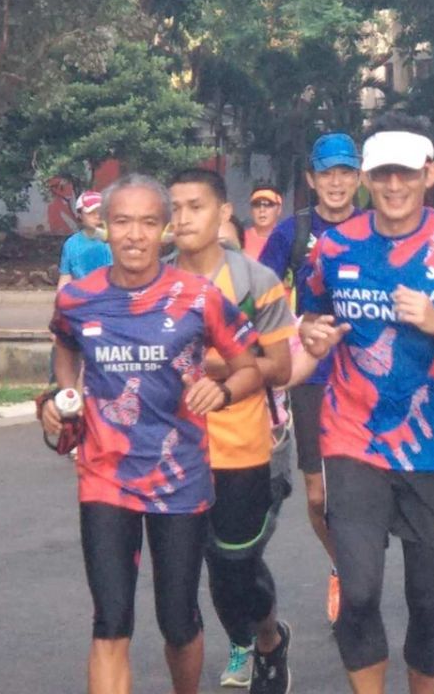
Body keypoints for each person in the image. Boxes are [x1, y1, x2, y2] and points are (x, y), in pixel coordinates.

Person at [298, 122, 434, 694]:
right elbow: (309, 314)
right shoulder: (334, 245)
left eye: (405, 173)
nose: (393, 185)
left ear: (430, 174)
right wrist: (313, 333)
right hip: (352, 439)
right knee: (361, 589)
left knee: (427, 602)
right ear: (366, 180)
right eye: (381, 174)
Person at [41, 174, 264, 694]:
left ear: (164, 230)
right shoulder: (78, 298)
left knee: (177, 618)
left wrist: (225, 392)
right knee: (111, 620)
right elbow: (64, 347)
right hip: (105, 477)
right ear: (103, 228)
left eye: (147, 222)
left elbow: (250, 366)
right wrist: (60, 398)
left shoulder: (197, 296)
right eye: (122, 221)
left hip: (179, 479)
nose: (134, 235)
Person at [168, 169, 296, 693]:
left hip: (242, 451)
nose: (182, 218)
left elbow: (281, 368)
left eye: (195, 206)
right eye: (174, 208)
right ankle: (237, 644)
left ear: (223, 212)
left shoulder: (255, 282)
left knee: (235, 566)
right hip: (173, 453)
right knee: (183, 578)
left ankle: (268, 638)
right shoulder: (154, 281)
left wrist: (217, 367)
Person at [259, 132, 363, 625]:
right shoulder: (292, 232)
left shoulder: (375, 226)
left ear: (359, 177)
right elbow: (259, 294)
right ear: (311, 180)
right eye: (327, 173)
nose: (337, 182)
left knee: (363, 491)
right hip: (312, 375)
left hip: (369, 374)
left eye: (345, 172)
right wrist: (295, 325)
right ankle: (342, 562)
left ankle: (363, 569)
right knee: (319, 496)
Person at [57, 190, 112, 289]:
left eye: (100, 212)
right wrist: (61, 300)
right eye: (91, 213)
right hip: (82, 298)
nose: (97, 216)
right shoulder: (71, 244)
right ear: (80, 215)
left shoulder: (114, 241)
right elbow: (65, 277)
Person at [244, 184, 283, 260]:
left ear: (279, 209)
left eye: (268, 204)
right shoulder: (241, 239)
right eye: (257, 204)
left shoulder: (286, 240)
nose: (262, 210)